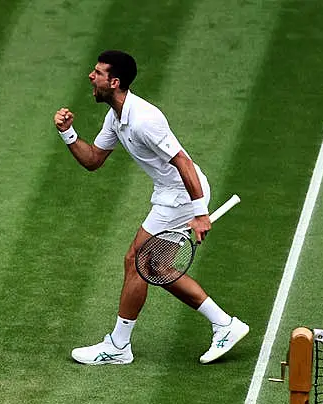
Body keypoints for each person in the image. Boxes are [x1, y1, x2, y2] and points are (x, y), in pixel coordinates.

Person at [53, 50, 248, 365]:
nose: (91, 76)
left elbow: (182, 161)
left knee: (135, 261)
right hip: (170, 193)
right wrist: (67, 133)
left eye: (98, 72)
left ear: (114, 82)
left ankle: (118, 346)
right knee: (155, 268)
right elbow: (93, 160)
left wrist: (199, 213)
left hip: (181, 196)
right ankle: (225, 325)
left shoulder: (145, 120)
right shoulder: (116, 117)